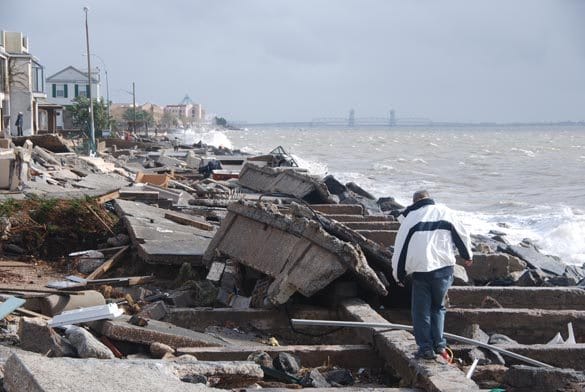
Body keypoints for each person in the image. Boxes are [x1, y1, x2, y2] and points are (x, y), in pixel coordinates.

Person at [391, 190, 473, 360]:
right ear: (430, 199)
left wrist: (398, 275)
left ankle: (426, 349)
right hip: (443, 269)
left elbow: (400, 251)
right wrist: (467, 256)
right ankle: (440, 346)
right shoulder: (445, 212)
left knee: (421, 312)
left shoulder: (410, 219)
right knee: (438, 308)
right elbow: (461, 234)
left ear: (414, 202)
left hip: (421, 271)